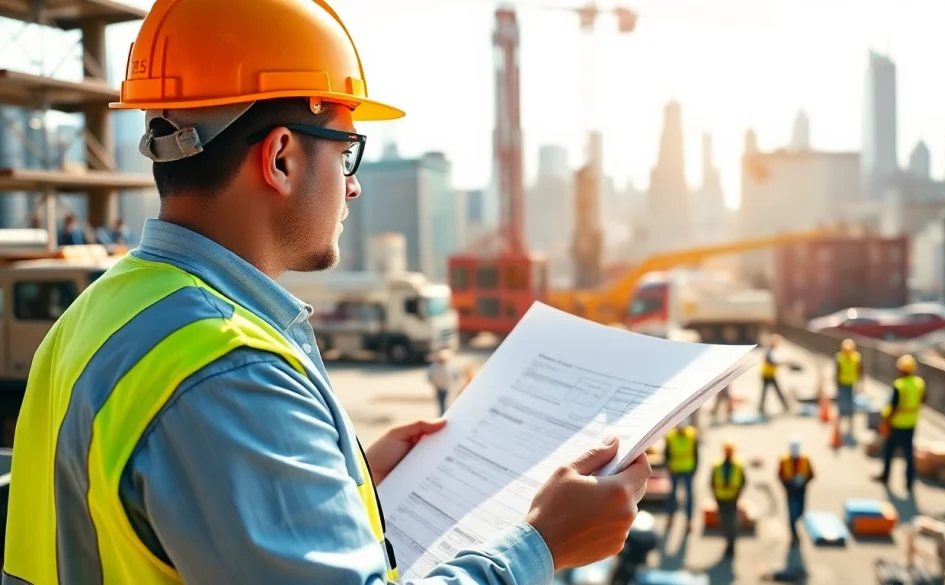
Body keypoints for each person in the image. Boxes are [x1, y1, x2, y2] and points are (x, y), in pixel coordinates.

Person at [2, 2, 652, 583]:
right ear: (281, 156)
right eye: (346, 153)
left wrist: (346, 483)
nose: (353, 186)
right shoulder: (226, 369)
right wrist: (541, 543)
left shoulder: (103, 310)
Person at [873, 354, 925, 491]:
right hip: (911, 423)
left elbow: (894, 406)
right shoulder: (919, 383)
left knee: (889, 450)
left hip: (897, 423)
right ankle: (909, 482)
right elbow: (923, 400)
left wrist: (885, 421)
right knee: (908, 453)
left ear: (901, 369)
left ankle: (885, 477)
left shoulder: (899, 385)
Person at [778, 435, 814, 546]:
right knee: (791, 515)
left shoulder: (805, 460)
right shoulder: (784, 460)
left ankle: (795, 531)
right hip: (790, 491)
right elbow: (780, 475)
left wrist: (803, 482)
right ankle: (793, 536)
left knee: (800, 512)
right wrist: (787, 484)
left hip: (801, 491)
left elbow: (811, 475)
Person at [711, 442, 745, 557]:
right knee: (724, 521)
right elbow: (712, 482)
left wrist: (738, 494)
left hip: (732, 498)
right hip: (721, 498)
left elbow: (743, 481)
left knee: (731, 521)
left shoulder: (738, 466)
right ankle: (728, 540)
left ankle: (731, 543)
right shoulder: (717, 466)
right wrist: (715, 496)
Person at [663, 420, 699, 530]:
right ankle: (670, 517)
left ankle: (689, 520)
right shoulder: (671, 436)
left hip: (688, 469)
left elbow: (696, 452)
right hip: (675, 469)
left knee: (689, 496)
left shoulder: (691, 435)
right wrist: (668, 465)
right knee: (672, 495)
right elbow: (667, 453)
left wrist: (695, 468)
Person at [835, 338, 862, 435]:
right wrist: (837, 383)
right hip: (843, 382)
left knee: (851, 400)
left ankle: (850, 417)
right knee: (842, 400)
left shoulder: (856, 357)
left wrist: (860, 382)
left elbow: (859, 370)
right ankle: (842, 415)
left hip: (851, 382)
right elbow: (838, 371)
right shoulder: (840, 357)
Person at [759, 334, 790, 414]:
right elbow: (770, 362)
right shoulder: (769, 351)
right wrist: (780, 364)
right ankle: (785, 405)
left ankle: (761, 407)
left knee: (769, 391)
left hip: (770, 374)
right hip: (768, 374)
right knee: (775, 391)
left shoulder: (770, 351)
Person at [428, 348, 461, 416]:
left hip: (447, 387)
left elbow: (456, 375)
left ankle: (445, 415)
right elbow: (430, 377)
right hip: (439, 388)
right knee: (442, 404)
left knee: (447, 403)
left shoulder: (449, 366)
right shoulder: (434, 367)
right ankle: (443, 416)